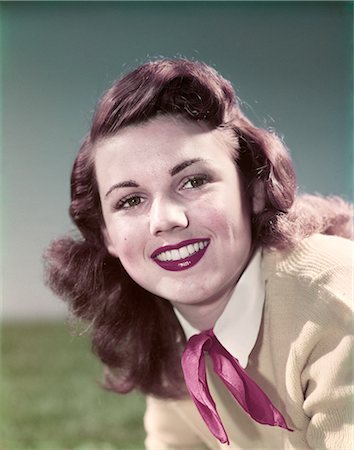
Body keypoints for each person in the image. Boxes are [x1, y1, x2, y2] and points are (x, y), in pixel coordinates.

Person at [45, 59, 353, 449]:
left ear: (253, 190)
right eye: (131, 200)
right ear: (106, 234)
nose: (166, 219)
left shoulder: (335, 297)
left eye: (193, 181)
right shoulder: (170, 332)